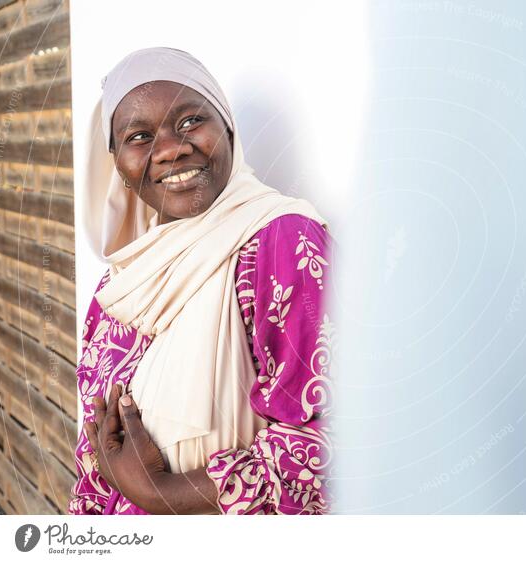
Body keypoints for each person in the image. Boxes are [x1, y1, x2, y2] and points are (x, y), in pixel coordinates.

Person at [68, 47, 333, 515]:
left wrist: (160, 494)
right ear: (118, 165)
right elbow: (96, 454)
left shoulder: (281, 243)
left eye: (191, 121)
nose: (171, 148)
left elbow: (332, 438)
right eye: (140, 135)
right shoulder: (123, 281)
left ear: (228, 126)